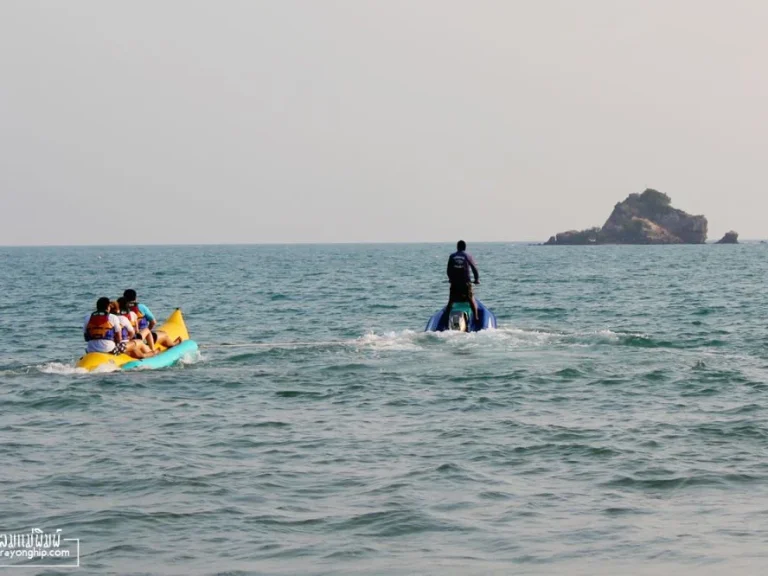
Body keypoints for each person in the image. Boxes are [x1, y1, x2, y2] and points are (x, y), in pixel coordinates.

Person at [444, 240, 480, 323]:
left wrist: (450, 279)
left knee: (451, 301)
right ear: (465, 247)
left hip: (455, 283)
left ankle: (446, 317)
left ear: (457, 247)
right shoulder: (467, 255)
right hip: (465, 282)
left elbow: (448, 269)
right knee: (471, 299)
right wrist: (476, 279)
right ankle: (476, 317)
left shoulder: (452, 256)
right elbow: (474, 268)